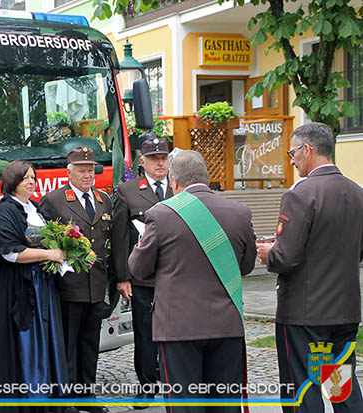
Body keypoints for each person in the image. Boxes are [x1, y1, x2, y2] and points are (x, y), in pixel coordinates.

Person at [128, 150, 256, 413]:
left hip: (178, 327)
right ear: (206, 178)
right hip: (226, 325)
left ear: (174, 181)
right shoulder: (240, 212)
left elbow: (138, 268)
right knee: (225, 404)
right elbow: (246, 266)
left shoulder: (160, 214)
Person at [256, 122, 363, 412]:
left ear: (307, 150)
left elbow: (286, 258)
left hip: (305, 314)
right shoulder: (357, 193)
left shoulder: (300, 194)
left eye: (293, 153)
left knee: (303, 389)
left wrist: (268, 253)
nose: (291, 160)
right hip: (344, 310)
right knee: (341, 388)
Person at [0, 160, 68, 411]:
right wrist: (49, 255)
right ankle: (30, 400)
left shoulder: (36, 209)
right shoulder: (5, 212)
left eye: (33, 178)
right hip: (20, 289)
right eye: (25, 178)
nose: (31, 182)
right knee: (27, 343)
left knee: (47, 340)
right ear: (12, 182)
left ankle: (50, 399)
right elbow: (10, 253)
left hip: (43, 288)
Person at [39, 146, 112, 413]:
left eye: (90, 169)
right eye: (81, 170)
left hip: (96, 286)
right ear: (69, 172)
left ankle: (86, 394)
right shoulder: (54, 201)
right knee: (67, 343)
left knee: (90, 343)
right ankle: (66, 396)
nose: (87, 174)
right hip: (68, 288)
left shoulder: (104, 199)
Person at [111, 137, 172, 404]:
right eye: (154, 158)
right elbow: (120, 238)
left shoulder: (180, 188)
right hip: (143, 277)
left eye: (164, 158)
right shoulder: (128, 191)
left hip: (175, 276)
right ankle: (147, 385)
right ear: (143, 162)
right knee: (145, 334)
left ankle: (173, 382)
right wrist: (122, 276)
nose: (160, 163)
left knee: (175, 332)